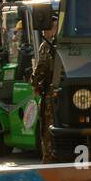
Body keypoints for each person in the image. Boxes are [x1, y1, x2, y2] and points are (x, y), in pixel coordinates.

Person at [31, 13, 60, 163]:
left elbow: (40, 70)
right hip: (55, 91)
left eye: (49, 27)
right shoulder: (49, 45)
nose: (45, 31)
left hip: (51, 93)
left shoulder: (49, 46)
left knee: (48, 127)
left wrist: (35, 84)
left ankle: (49, 158)